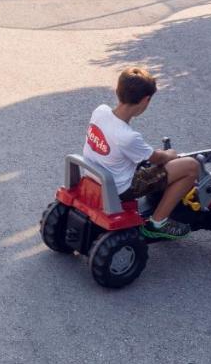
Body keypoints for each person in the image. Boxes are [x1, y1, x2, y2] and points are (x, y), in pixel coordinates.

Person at [83, 67, 200, 240]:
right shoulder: (128, 137)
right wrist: (170, 154)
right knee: (191, 166)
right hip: (122, 187)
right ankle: (158, 222)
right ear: (146, 100)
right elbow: (158, 158)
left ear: (117, 91)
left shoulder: (100, 111)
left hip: (93, 173)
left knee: (151, 164)